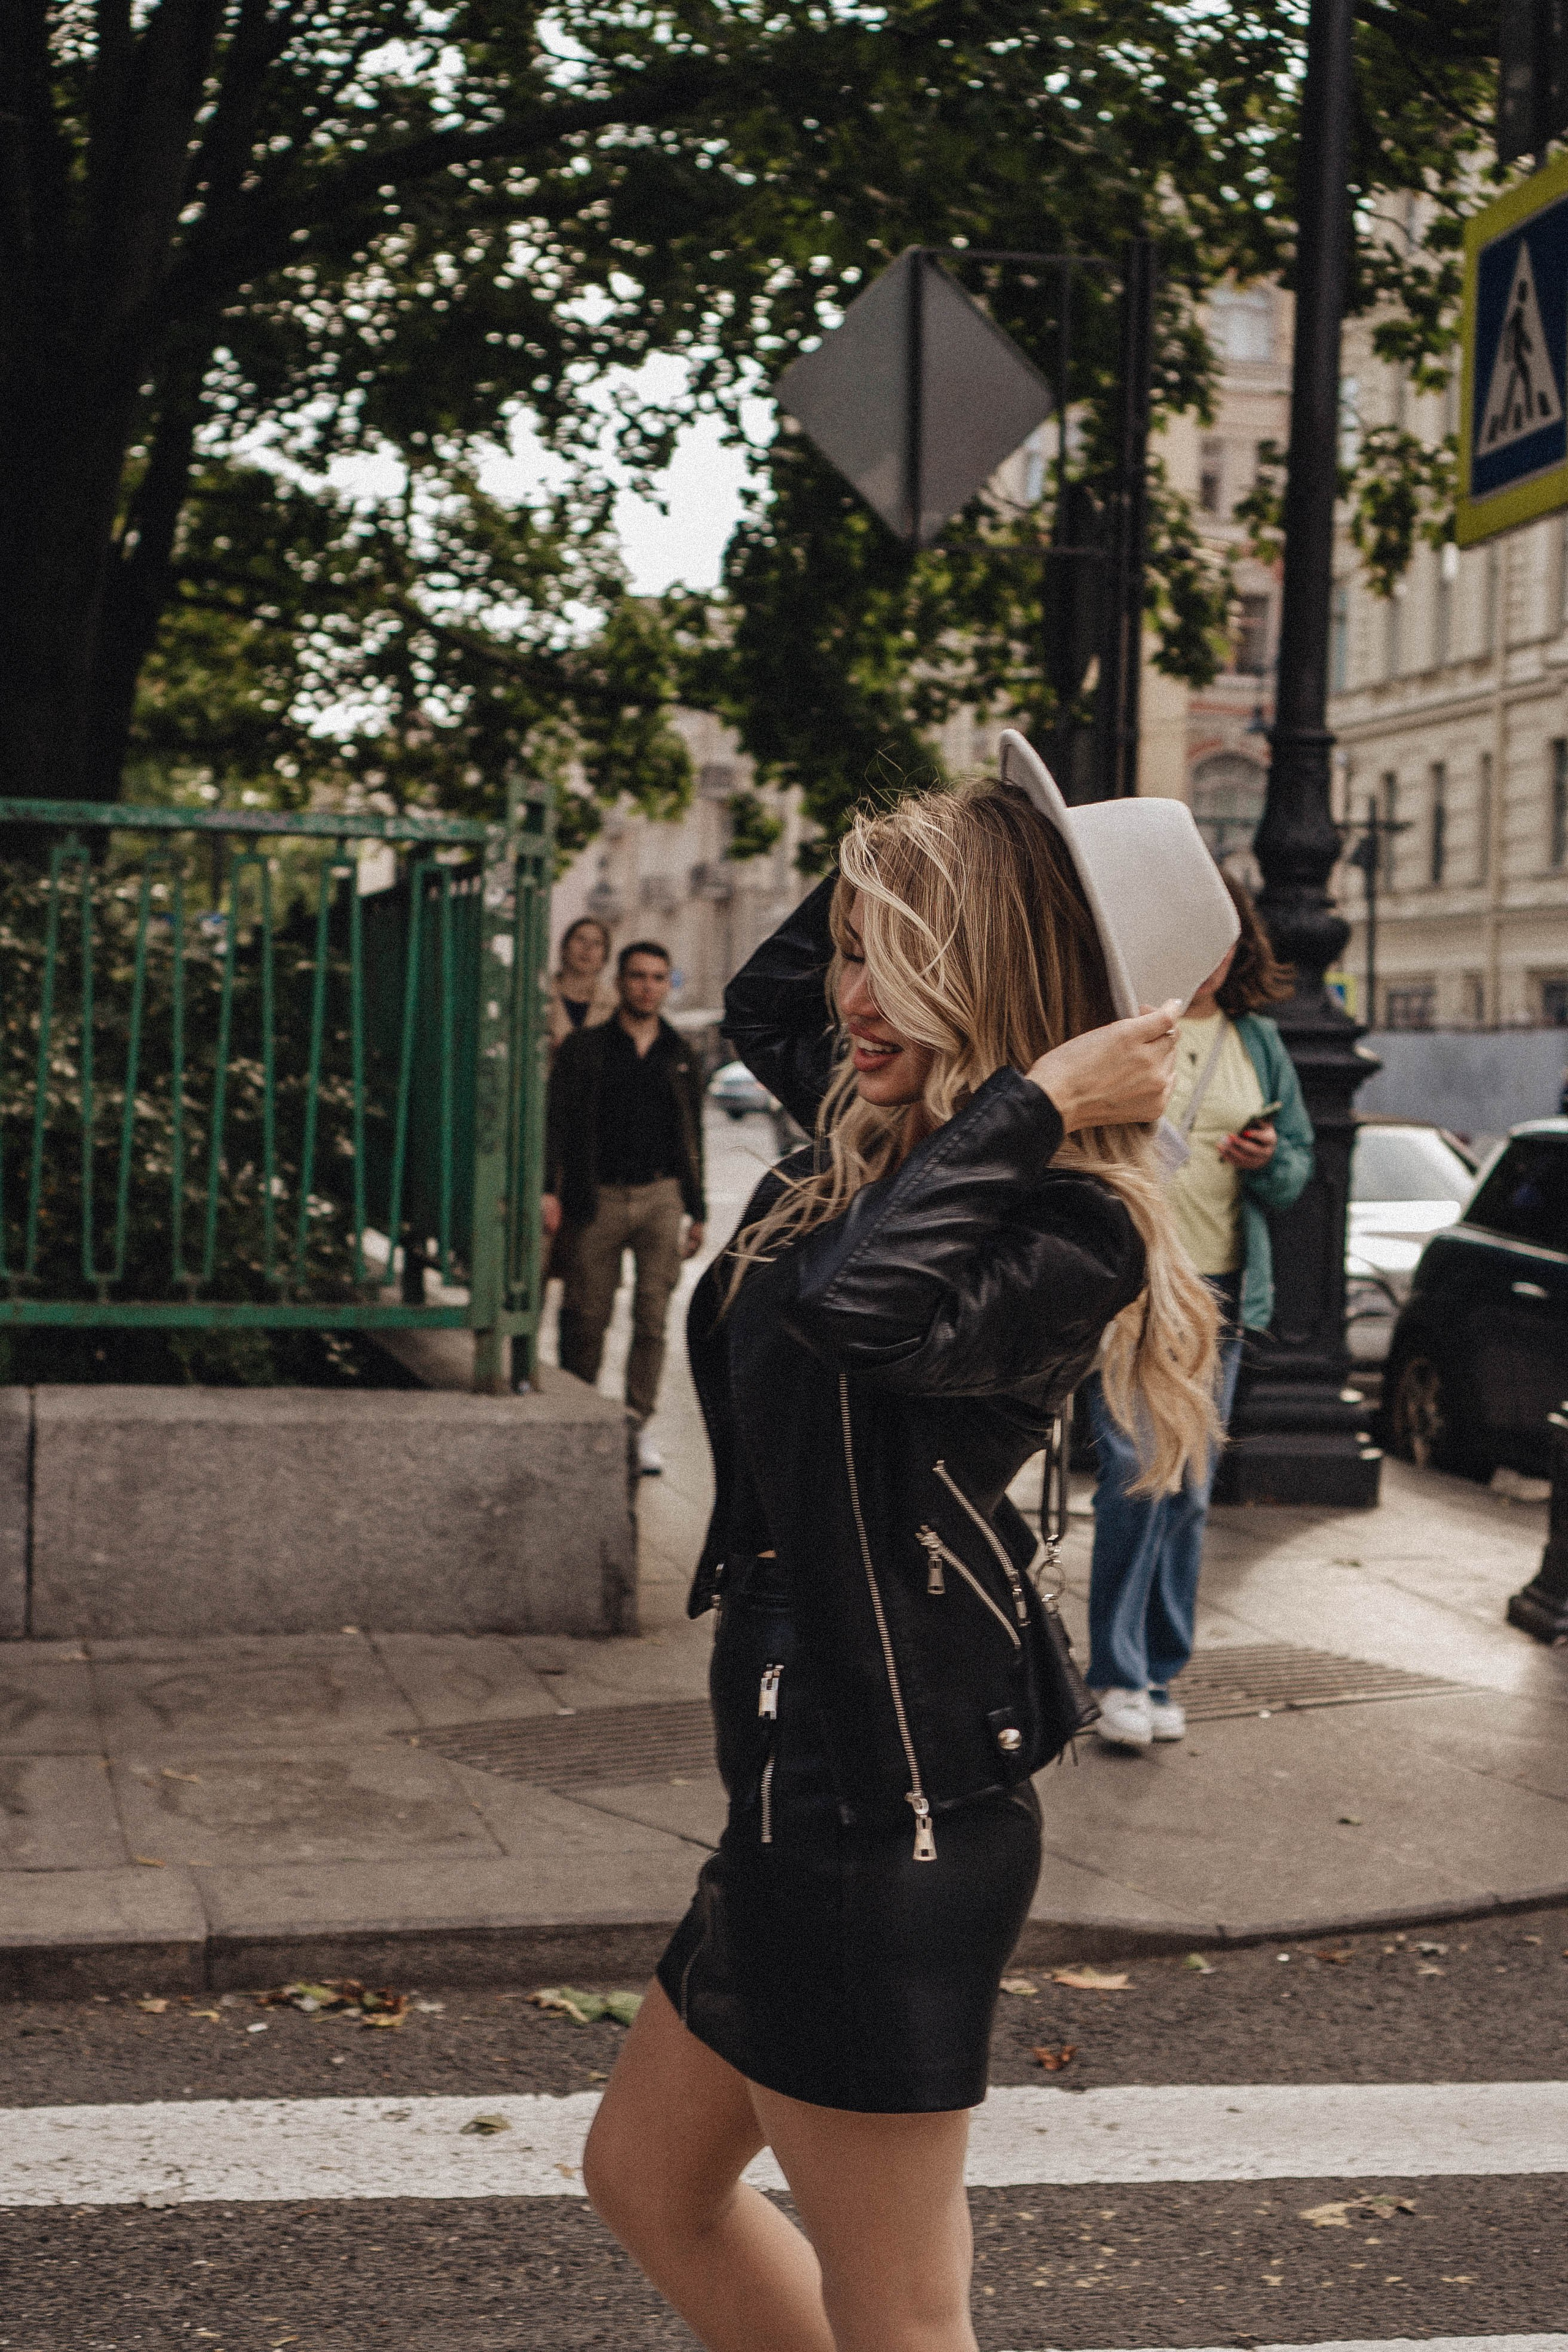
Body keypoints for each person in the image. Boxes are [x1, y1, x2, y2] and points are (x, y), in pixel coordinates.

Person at [582, 769, 1223, 2352]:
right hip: (799, 1784)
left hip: (887, 1821)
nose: (856, 994)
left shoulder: (1064, 1226)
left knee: (906, 2323)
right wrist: (987, 835)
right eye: (862, 947)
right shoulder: (884, 1138)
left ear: (1003, 987)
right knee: (646, 2182)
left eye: (908, 955)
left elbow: (852, 1317)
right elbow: (772, 988)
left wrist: (1042, 1092)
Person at [1084, 870, 1315, 1750]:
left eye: (1226, 944)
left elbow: (1296, 1167)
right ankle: (1114, 1672)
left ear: (1239, 948)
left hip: (1218, 1294)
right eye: (1196, 941)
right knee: (1135, 1477)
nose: (1212, 963)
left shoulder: (1258, 1043)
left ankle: (1159, 1668)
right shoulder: (1133, 1030)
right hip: (1133, 1287)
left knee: (1188, 1489)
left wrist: (1266, 1157)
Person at [543, 940, 706, 1473]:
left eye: (659, 978)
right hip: (600, 1198)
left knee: (653, 1320)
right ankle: (581, 1416)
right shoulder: (585, 1048)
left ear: (667, 984)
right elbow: (557, 1128)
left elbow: (692, 1134)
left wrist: (697, 1209)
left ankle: (637, 1426)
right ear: (620, 983)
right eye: (638, 976)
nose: (648, 987)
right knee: (587, 1316)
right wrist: (550, 1191)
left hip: (663, 1198)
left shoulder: (681, 1053)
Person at [546, 915, 617, 1054]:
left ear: (604, 958)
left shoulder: (615, 1004)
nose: (588, 948)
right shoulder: (541, 994)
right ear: (564, 949)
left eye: (597, 943)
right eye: (581, 939)